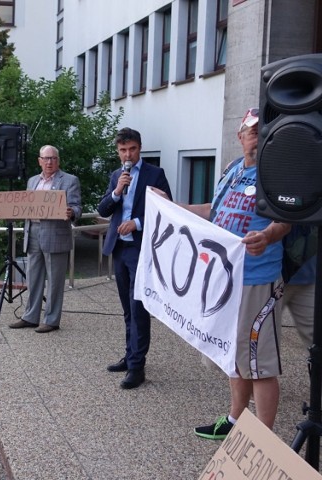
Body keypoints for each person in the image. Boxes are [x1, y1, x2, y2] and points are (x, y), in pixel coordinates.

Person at [155, 108, 291, 438]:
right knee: (234, 356)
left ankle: (261, 440)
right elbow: (211, 212)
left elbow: (287, 220)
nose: (256, 137)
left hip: (258, 279)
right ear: (240, 136)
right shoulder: (231, 171)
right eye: (251, 131)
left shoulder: (275, 172)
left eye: (262, 131)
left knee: (259, 364)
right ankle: (234, 420)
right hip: (226, 279)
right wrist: (172, 206)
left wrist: (268, 236)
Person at [98, 127, 173, 389]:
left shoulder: (155, 174)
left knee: (138, 308)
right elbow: (104, 209)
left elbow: (167, 210)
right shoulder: (117, 175)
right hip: (119, 249)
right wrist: (117, 191)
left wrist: (137, 223)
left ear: (140, 148)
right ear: (118, 152)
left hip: (142, 250)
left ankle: (137, 367)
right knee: (126, 308)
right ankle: (130, 356)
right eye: (122, 150)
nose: (127, 154)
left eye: (132, 149)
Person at [0, 145, 82, 333]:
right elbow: (24, 207)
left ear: (58, 161)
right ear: (39, 161)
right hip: (33, 231)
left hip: (55, 233)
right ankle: (30, 316)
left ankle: (51, 320)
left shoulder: (69, 180)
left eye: (53, 158)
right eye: (46, 158)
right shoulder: (32, 181)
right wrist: (2, 210)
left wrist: (71, 212)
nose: (49, 162)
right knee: (33, 277)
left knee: (55, 280)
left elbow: (77, 207)